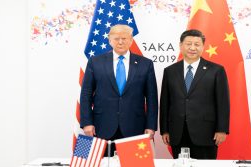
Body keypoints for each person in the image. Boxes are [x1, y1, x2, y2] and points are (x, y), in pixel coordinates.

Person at [80, 24, 158, 156]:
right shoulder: (95, 62)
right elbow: (86, 94)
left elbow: (152, 98)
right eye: (116, 38)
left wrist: (151, 126)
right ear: (110, 40)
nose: (120, 42)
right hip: (101, 127)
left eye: (124, 38)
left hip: (135, 128)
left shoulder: (146, 64)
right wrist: (87, 123)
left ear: (131, 40)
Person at [160, 29, 230, 159]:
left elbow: (223, 102)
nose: (192, 48)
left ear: (203, 47)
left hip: (206, 133)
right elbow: (165, 102)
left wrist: (222, 129)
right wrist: (164, 129)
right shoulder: (170, 71)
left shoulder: (216, 70)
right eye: (188, 44)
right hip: (177, 132)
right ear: (181, 45)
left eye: (197, 44)